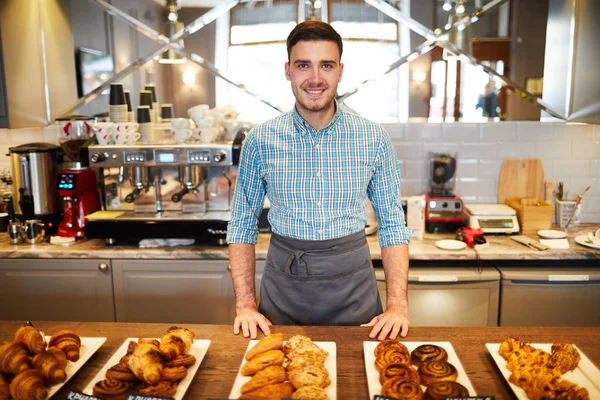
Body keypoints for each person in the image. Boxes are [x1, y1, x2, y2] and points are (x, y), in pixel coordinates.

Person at [226, 20, 412, 341]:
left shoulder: (373, 138)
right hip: (282, 291)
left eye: (326, 65)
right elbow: (242, 224)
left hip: (354, 290)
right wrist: (245, 304)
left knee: (356, 385)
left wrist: (397, 304)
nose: (314, 78)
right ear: (288, 70)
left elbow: (393, 224)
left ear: (340, 71)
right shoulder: (260, 139)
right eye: (303, 66)